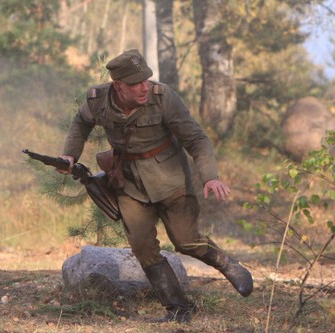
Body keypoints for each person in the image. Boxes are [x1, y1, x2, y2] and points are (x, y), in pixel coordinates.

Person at [57, 49, 253, 323]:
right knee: (142, 246)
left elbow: (196, 138)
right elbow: (80, 124)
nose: (144, 87)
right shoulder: (97, 100)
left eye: (146, 80)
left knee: (186, 242)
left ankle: (227, 264)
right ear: (118, 86)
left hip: (171, 179)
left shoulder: (163, 97)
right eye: (136, 83)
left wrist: (210, 176)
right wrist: (70, 155)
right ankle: (179, 308)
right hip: (129, 184)